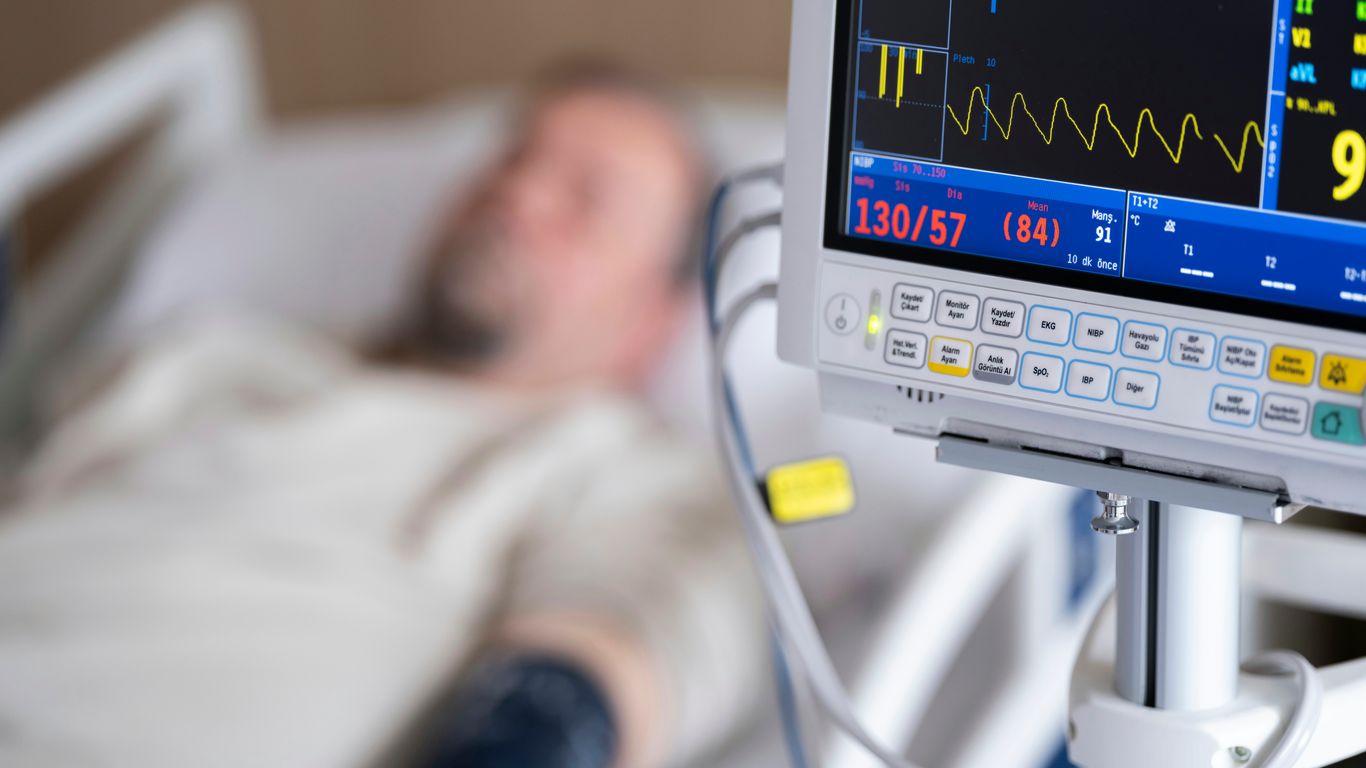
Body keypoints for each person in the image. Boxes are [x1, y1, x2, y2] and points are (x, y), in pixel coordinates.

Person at [0, 63, 763, 768]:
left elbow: (605, 673)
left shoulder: (623, 474)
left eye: (587, 200)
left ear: (656, 318)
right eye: (511, 157)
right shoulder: (212, 354)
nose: (520, 193)